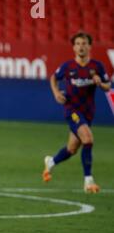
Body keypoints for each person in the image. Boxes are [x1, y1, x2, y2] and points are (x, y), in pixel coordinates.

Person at [43, 32, 111, 193]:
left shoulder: (97, 66)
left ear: (89, 46)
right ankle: (88, 180)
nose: (81, 46)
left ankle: (51, 162)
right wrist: (56, 93)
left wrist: (100, 83)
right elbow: (54, 77)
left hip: (88, 112)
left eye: (84, 43)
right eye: (78, 43)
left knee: (72, 148)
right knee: (88, 139)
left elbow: (108, 86)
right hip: (71, 110)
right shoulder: (68, 67)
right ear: (74, 47)